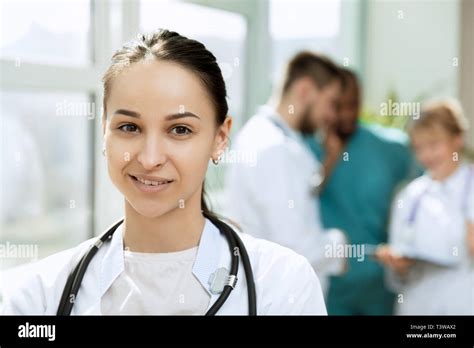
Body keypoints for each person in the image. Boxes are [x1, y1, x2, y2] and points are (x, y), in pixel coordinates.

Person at [1, 30, 327, 315]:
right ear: (104, 131)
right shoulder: (38, 296)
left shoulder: (282, 284)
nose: (150, 158)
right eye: (129, 127)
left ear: (220, 139)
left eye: (180, 130)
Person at [225, 51, 347, 293]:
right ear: (305, 90)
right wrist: (339, 243)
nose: (331, 115)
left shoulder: (265, 135)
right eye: (331, 102)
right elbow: (294, 247)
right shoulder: (275, 148)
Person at [306, 68, 421, 315]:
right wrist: (331, 158)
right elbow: (299, 200)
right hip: (330, 281)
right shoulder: (306, 150)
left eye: (353, 104)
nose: (347, 114)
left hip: (378, 281)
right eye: (338, 106)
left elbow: (430, 185)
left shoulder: (390, 147)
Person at [376, 99, 474, 315]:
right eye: (419, 148)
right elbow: (395, 280)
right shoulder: (409, 196)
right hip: (416, 307)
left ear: (457, 139)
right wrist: (398, 266)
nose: (426, 156)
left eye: (434, 145)